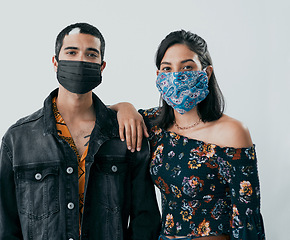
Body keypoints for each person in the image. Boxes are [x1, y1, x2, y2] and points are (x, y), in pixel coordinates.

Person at [0, 22, 161, 240]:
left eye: (91, 54)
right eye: (71, 52)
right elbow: (7, 227)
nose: (81, 60)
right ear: (55, 62)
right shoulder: (18, 139)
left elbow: (145, 221)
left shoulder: (125, 133)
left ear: (102, 66)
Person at [111, 30, 265, 239]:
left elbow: (247, 218)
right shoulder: (153, 125)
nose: (176, 76)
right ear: (159, 77)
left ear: (206, 72)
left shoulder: (232, 132)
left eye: (187, 67)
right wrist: (125, 106)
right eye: (167, 68)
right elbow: (101, 115)